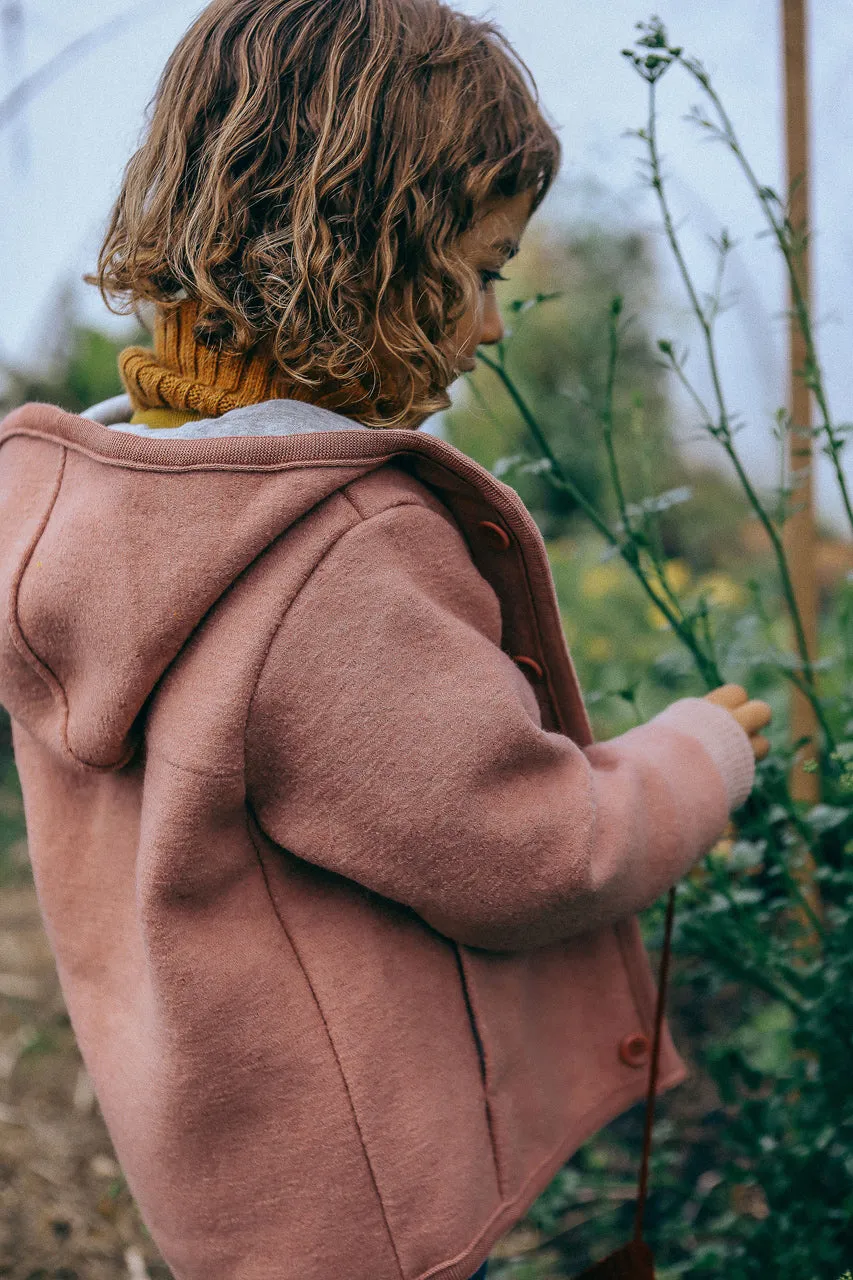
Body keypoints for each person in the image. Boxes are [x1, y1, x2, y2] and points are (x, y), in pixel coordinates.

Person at [0, 1, 772, 1278]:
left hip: (230, 1169)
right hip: (364, 1209)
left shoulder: (94, 507)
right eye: (478, 272)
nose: (492, 325)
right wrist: (700, 754)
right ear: (358, 249)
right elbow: (532, 848)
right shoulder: (330, 549)